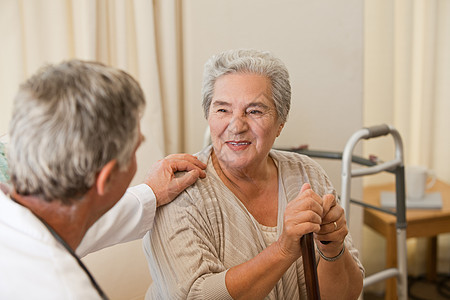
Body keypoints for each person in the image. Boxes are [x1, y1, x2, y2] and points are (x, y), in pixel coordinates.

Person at [144, 49, 364, 299]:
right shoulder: (178, 189)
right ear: (208, 116)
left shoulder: (306, 173)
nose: (236, 126)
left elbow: (347, 295)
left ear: (280, 123)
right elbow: (194, 295)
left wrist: (333, 248)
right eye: (222, 110)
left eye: (255, 111)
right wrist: (283, 250)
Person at [0, 60, 206, 299]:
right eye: (135, 150)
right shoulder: (66, 291)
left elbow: (64, 220)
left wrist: (150, 193)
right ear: (106, 178)